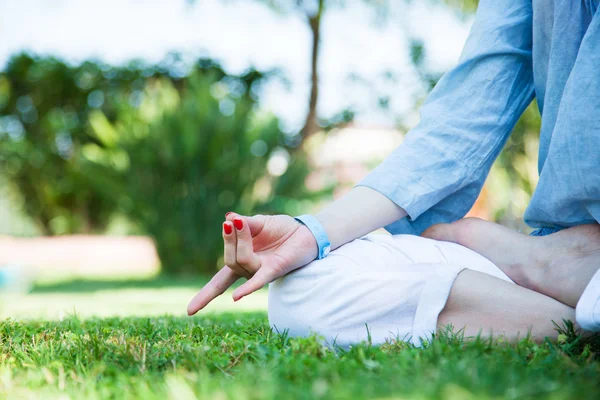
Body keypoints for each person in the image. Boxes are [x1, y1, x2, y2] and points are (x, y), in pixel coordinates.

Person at [187, 0, 600, 340]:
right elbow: (459, 127)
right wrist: (311, 233)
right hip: (567, 243)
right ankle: (570, 287)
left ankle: (565, 296)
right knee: (300, 291)